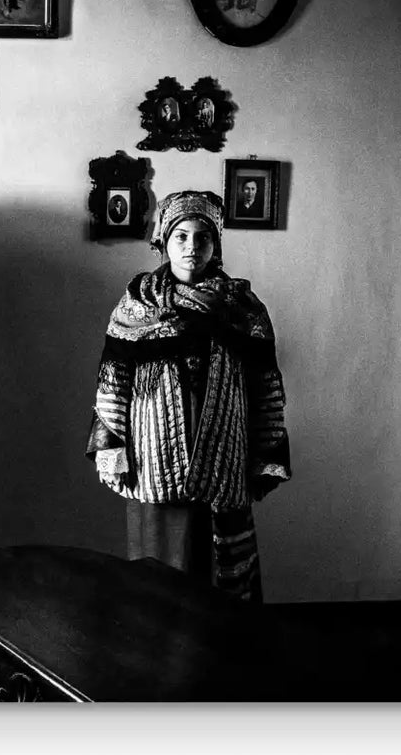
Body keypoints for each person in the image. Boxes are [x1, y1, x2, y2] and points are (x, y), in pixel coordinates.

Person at [84, 190, 290, 601]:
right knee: (160, 572)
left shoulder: (243, 308)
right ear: (163, 240)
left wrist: (267, 452)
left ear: (216, 244)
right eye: (181, 237)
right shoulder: (137, 305)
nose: (191, 248)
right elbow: (113, 380)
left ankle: (218, 657)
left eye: (202, 237)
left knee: (218, 579)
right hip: (154, 458)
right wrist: (113, 447)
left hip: (224, 458)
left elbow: (265, 385)